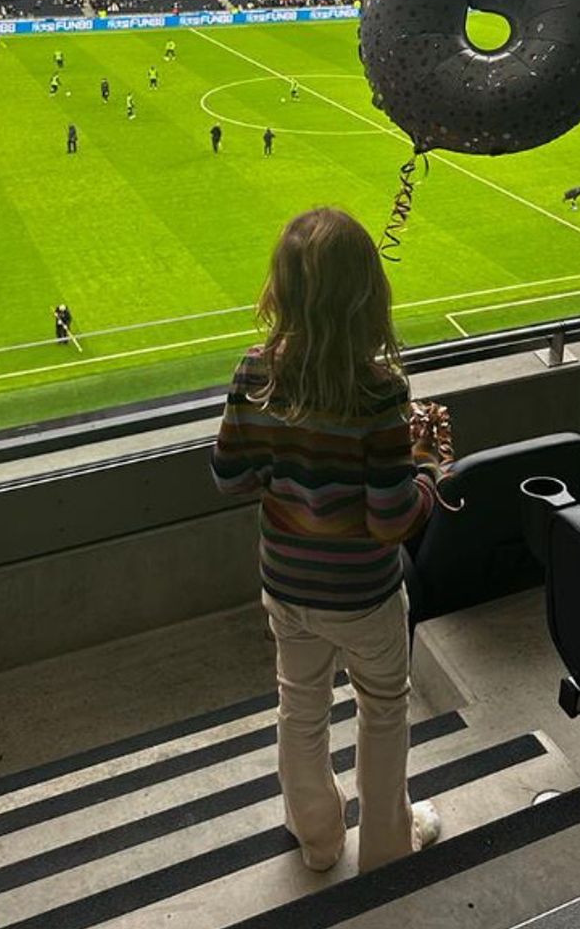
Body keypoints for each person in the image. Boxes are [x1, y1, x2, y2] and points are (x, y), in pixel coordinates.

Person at [212, 209, 446, 874]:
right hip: (366, 596)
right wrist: (430, 467)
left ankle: (318, 842)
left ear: (282, 289)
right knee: (383, 714)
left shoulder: (253, 372)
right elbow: (391, 520)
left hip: (287, 586)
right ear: (370, 292)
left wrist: (285, 460)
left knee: (300, 709)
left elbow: (228, 476)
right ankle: (384, 851)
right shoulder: (380, 392)